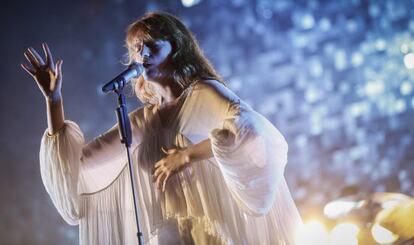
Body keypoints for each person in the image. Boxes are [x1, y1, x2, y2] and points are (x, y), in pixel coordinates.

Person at [21, 11, 302, 245]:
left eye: (151, 44)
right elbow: (78, 165)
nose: (142, 53)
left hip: (211, 235)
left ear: (176, 47)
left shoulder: (203, 94)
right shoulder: (144, 121)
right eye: (135, 48)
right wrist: (54, 100)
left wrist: (188, 155)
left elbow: (252, 130)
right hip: (170, 237)